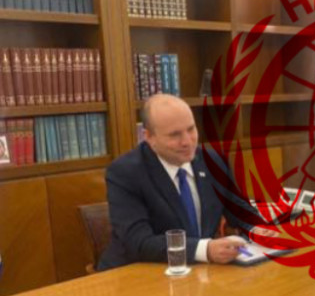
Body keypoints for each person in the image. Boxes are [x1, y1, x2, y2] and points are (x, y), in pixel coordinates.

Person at [99, 94, 268, 270]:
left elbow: (238, 210)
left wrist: (256, 228)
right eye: (174, 135)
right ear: (148, 136)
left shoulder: (213, 161)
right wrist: (205, 249)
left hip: (198, 272)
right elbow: (139, 242)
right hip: (138, 272)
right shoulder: (125, 172)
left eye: (191, 129)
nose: (187, 141)